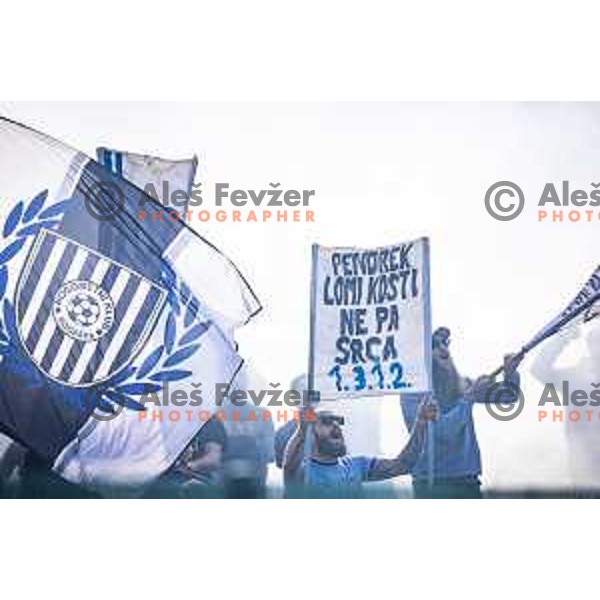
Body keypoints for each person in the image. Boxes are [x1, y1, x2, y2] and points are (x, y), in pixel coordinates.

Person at [401, 327, 522, 499]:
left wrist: (511, 373)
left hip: (468, 480)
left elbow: (509, 397)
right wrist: (470, 396)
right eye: (434, 344)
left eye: (445, 342)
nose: (443, 348)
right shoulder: (413, 391)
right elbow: (443, 432)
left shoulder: (461, 383)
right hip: (433, 483)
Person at [283, 400, 437, 497]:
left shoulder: (356, 465)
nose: (336, 425)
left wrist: (421, 423)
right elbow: (289, 466)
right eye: (327, 421)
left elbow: (403, 465)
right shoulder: (303, 473)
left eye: (338, 420)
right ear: (310, 432)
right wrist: (301, 430)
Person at [530, 321, 600, 486]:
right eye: (597, 342)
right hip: (583, 458)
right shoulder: (573, 377)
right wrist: (562, 338)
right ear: (590, 346)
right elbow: (539, 369)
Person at [148, 415, 227, 498]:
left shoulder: (209, 420)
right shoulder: (157, 421)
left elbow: (213, 460)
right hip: (161, 482)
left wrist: (187, 467)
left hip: (197, 479)